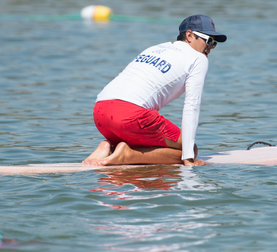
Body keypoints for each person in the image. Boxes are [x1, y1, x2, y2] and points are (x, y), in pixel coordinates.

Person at [83, 14, 227, 167]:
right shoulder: (198, 59)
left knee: (149, 138)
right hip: (129, 115)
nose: (210, 48)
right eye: (209, 41)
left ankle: (109, 146)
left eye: (214, 43)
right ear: (189, 35)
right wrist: (189, 158)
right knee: (189, 148)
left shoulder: (155, 48)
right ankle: (127, 155)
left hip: (100, 113)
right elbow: (192, 106)